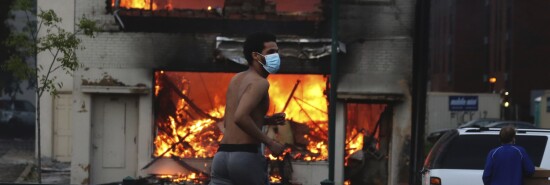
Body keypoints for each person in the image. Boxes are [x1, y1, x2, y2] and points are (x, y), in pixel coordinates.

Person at [209, 32, 286, 185]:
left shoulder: (236, 79)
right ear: (256, 56)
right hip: (245, 157)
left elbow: (228, 121)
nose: (276, 56)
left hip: (222, 156)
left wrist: (266, 120)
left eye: (276, 52)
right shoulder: (260, 82)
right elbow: (240, 117)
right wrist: (270, 143)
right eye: (270, 52)